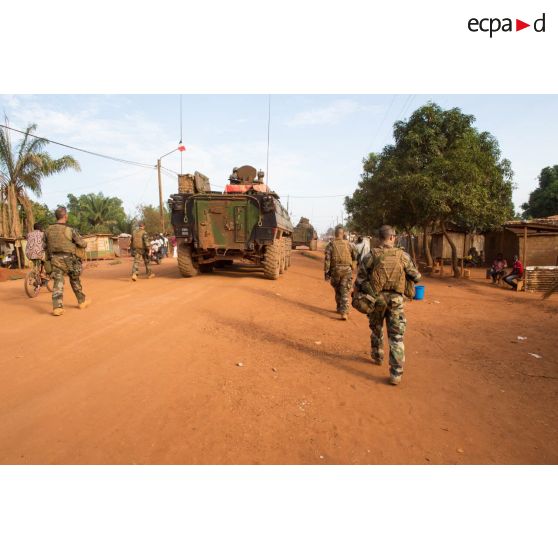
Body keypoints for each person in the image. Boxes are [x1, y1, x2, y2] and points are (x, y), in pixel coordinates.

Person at [356, 225, 421, 385]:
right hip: (396, 301)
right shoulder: (403, 256)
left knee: (376, 329)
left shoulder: (371, 255)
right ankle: (396, 373)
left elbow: (360, 279)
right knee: (396, 337)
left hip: (376, 300)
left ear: (379, 238)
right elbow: (416, 277)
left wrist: (371, 291)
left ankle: (377, 355)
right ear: (393, 237)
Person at [45, 206, 91, 316]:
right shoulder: (70, 230)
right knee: (74, 280)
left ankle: (57, 307)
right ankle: (81, 302)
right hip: (70, 260)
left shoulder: (47, 230)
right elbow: (82, 243)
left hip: (55, 259)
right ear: (65, 216)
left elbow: (44, 245)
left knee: (58, 282)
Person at [324, 224, 357, 320]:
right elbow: (355, 257)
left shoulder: (330, 245)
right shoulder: (350, 245)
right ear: (343, 234)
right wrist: (352, 267)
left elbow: (327, 260)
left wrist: (326, 273)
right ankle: (342, 310)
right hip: (347, 270)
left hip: (335, 271)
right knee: (344, 290)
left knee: (339, 289)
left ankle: (342, 310)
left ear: (335, 234)